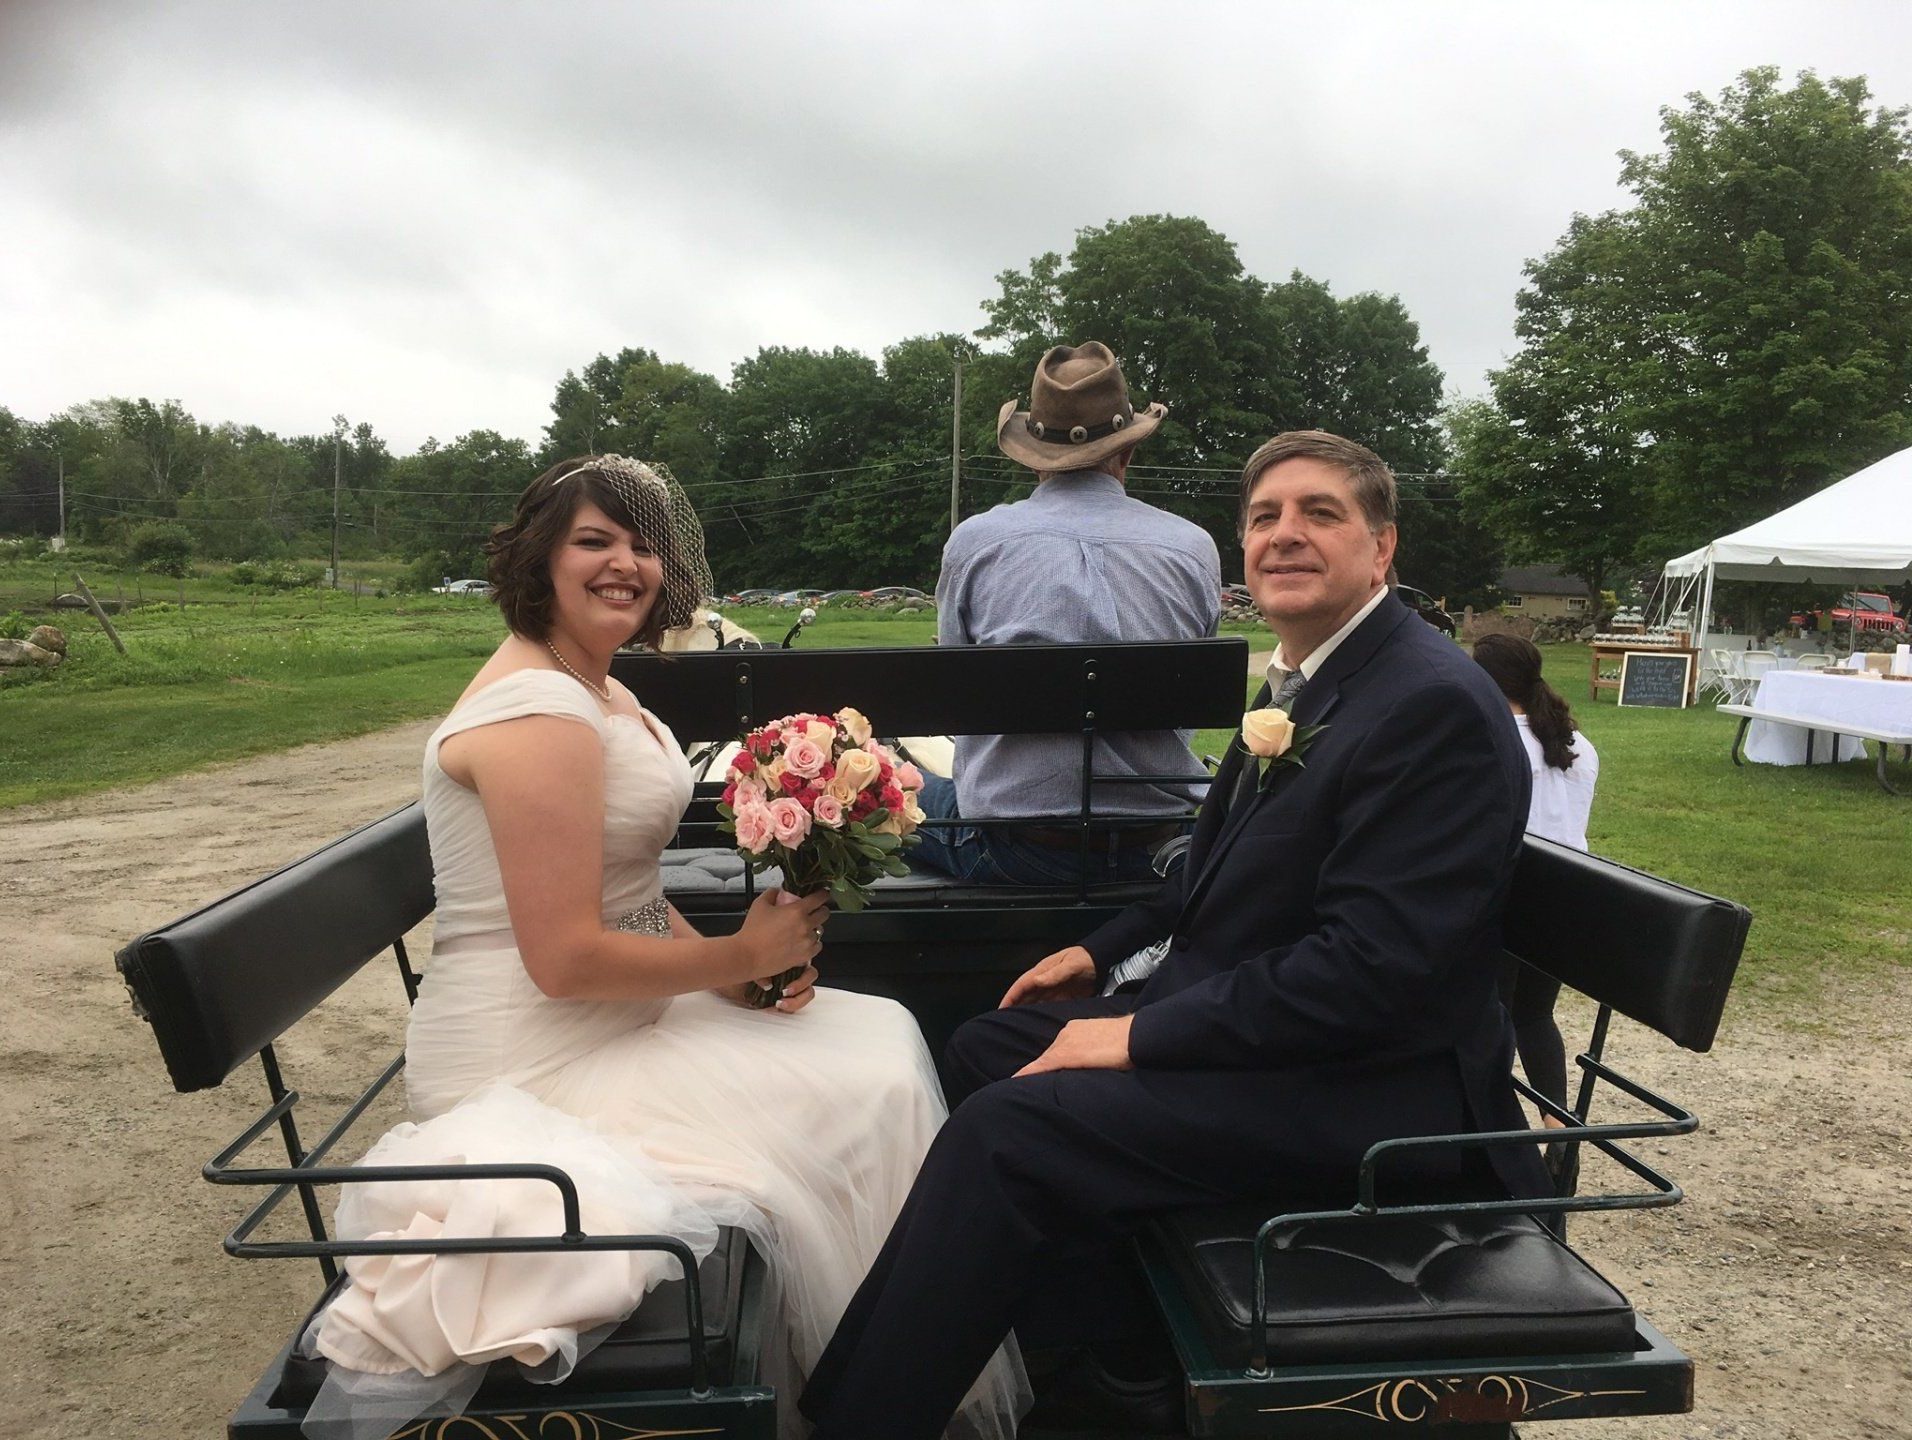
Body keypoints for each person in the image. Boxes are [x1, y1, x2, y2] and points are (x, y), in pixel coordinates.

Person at [800, 431, 1551, 1440]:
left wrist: (1135, 1034)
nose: (1284, 534)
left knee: (1007, 1135)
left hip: (1374, 1093)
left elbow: (1374, 974)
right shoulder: (1310, 676)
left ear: (1383, 550)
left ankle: (859, 1422)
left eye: (1319, 513)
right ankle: (1113, 1362)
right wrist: (1102, 953)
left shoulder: (1430, 705)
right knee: (987, 1047)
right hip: (1283, 1048)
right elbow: (1212, 865)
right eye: (1264, 517)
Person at [307, 456, 1028, 1440]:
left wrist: (741, 976)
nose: (626, 564)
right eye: (594, 540)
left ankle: (869, 1383)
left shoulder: (597, 691)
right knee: (873, 1091)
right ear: (538, 560)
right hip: (537, 1057)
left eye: (644, 544)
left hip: (615, 1020)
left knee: (884, 1040)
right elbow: (563, 958)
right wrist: (733, 959)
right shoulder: (539, 714)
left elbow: (630, 900)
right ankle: (865, 1402)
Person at [914, 341, 1221, 885]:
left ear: (1032, 455)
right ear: (1126, 452)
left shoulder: (975, 543)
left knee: (908, 784)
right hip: (1157, 846)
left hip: (1014, 851)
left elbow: (955, 691)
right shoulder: (1194, 548)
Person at [1472, 631, 1600, 1186]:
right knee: (1536, 1017)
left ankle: (1494, 1144)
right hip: (1567, 900)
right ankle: (1558, 1130)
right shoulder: (1578, 744)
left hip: (1510, 900)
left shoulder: (1494, 742)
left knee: (1490, 1019)